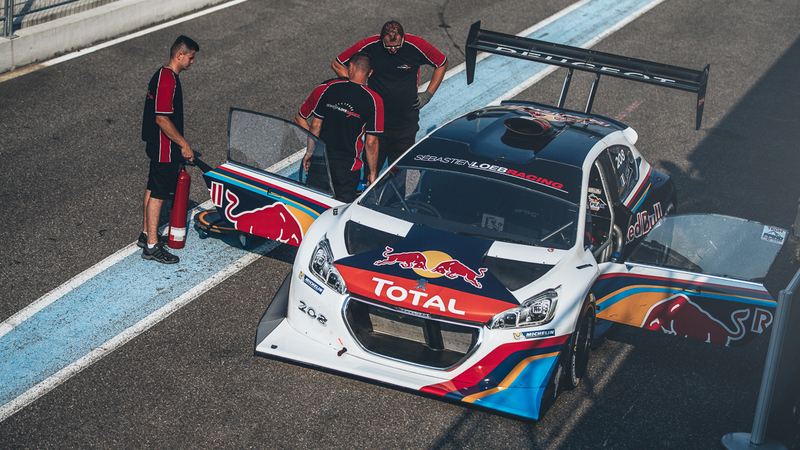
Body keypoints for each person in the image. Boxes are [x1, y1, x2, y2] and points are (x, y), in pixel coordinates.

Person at [333, 21, 447, 177]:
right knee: (371, 175)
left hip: (406, 125)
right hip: (377, 126)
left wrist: (428, 94)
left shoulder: (416, 45)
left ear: (403, 37)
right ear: (381, 40)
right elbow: (338, 64)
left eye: (397, 46)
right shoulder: (370, 46)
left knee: (400, 175)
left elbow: (441, 62)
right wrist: (358, 90)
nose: (393, 50)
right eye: (389, 47)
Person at [139, 35, 199, 264]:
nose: (192, 62)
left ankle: (146, 234)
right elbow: (162, 119)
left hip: (156, 145)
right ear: (179, 55)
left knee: (152, 187)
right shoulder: (168, 80)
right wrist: (184, 144)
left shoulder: (161, 74)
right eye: (191, 58)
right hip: (165, 148)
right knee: (159, 194)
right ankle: (152, 247)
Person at [304, 52, 383, 203]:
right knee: (340, 212)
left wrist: (309, 153)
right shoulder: (374, 100)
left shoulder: (331, 87)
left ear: (350, 68)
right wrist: (372, 173)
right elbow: (371, 143)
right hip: (348, 168)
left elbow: (315, 125)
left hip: (321, 161)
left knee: (312, 206)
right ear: (370, 73)